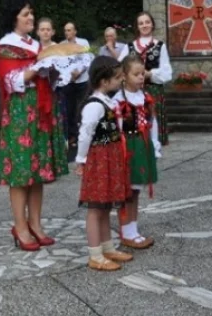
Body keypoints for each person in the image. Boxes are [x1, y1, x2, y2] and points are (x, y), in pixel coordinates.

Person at [0, 0, 69, 251]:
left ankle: (35, 224)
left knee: (38, 172)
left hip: (40, 113)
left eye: (32, 14)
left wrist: (54, 68)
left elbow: (47, 78)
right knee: (21, 173)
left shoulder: (36, 45)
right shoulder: (6, 46)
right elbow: (11, 81)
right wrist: (39, 67)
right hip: (20, 114)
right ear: (14, 16)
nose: (31, 18)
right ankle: (20, 226)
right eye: (26, 14)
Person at [75, 56, 133, 271]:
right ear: (104, 81)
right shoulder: (95, 105)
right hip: (99, 159)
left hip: (111, 157)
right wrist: (81, 160)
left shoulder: (109, 101)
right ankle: (95, 254)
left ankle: (108, 248)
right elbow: (85, 133)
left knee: (106, 205)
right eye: (117, 78)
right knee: (96, 207)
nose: (120, 81)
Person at [113, 55, 162, 250]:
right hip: (128, 148)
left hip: (142, 145)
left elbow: (153, 122)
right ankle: (127, 231)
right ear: (124, 76)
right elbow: (116, 127)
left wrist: (154, 144)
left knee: (136, 190)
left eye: (142, 73)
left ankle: (133, 229)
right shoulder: (118, 100)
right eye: (136, 74)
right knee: (127, 192)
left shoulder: (145, 96)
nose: (141, 77)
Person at [127, 12, 172, 146]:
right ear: (137, 26)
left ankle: (155, 148)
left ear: (152, 24)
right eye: (141, 23)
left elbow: (167, 72)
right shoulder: (129, 47)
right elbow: (121, 68)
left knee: (153, 121)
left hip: (153, 90)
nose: (144, 25)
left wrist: (150, 74)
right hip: (133, 91)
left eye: (147, 22)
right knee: (136, 123)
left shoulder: (160, 46)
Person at [60, 22, 90, 155]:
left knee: (84, 108)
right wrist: (70, 74)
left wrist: (79, 71)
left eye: (70, 30)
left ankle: (86, 135)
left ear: (75, 31)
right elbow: (61, 63)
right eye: (66, 30)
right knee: (70, 108)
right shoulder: (61, 45)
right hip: (69, 81)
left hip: (83, 79)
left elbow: (87, 59)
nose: (68, 33)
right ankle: (73, 135)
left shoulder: (83, 42)